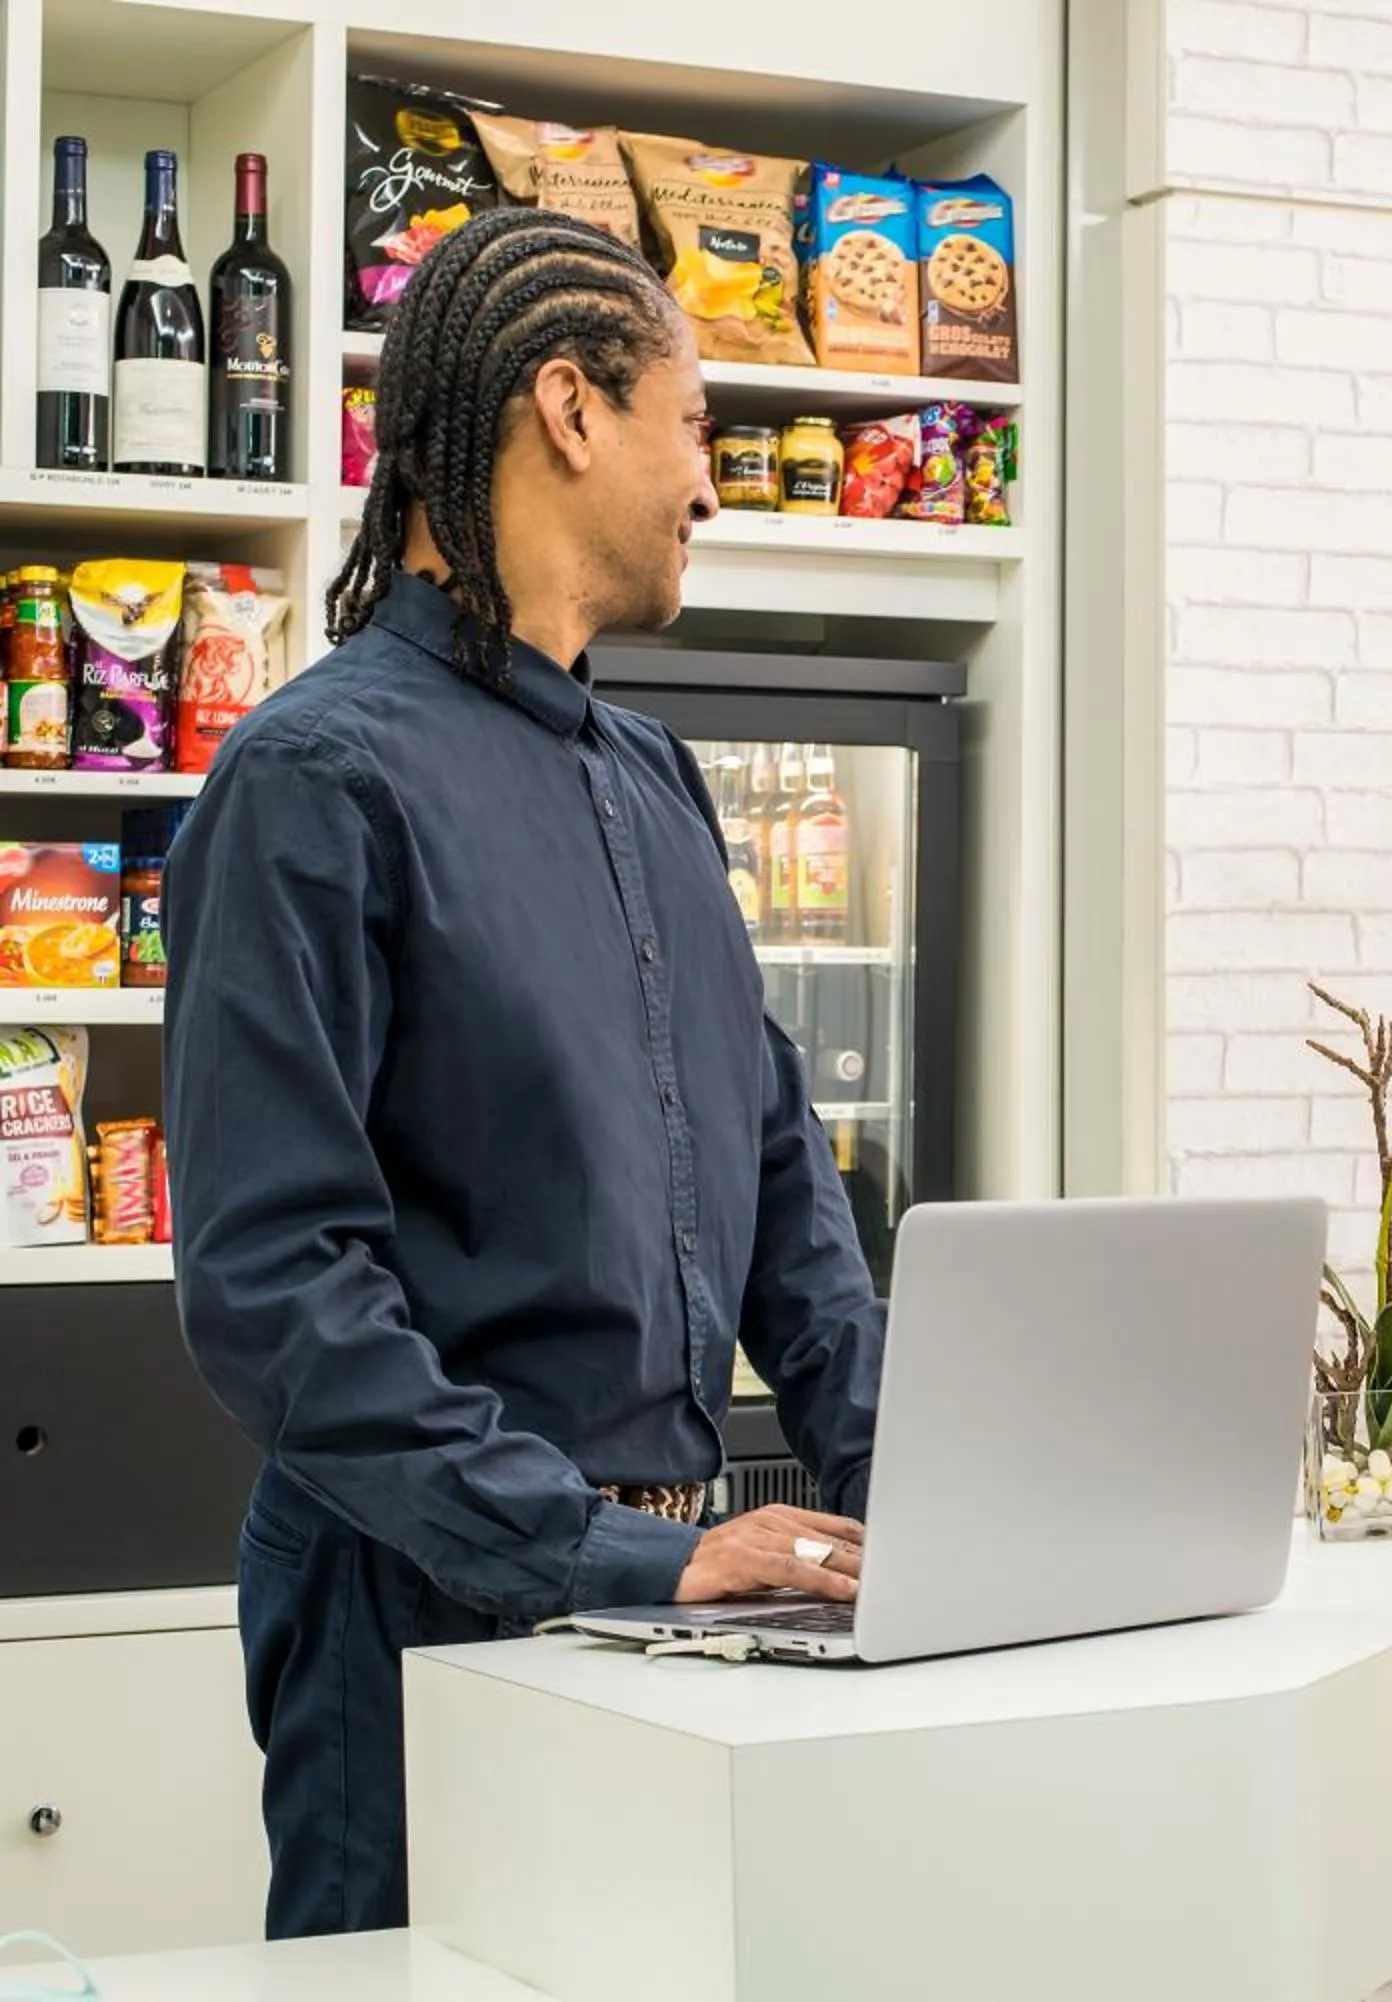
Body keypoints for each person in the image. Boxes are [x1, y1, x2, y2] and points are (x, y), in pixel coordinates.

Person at [162, 209, 885, 1939]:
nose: (711, 488)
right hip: (414, 1603)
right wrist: (613, 1551)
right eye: (695, 427)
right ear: (569, 406)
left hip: (675, 1599)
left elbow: (785, 1191)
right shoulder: (311, 778)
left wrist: (924, 1493)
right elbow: (274, 1287)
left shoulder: (658, 780)